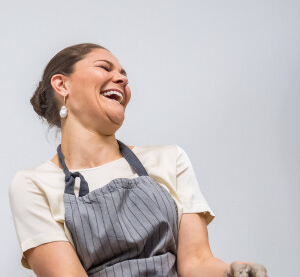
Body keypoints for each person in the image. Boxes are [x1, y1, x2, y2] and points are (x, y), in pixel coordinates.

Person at [8, 43, 268, 277]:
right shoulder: (32, 185)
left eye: (124, 75)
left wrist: (229, 273)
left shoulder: (169, 159)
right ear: (62, 85)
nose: (121, 78)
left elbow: (196, 262)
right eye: (105, 67)